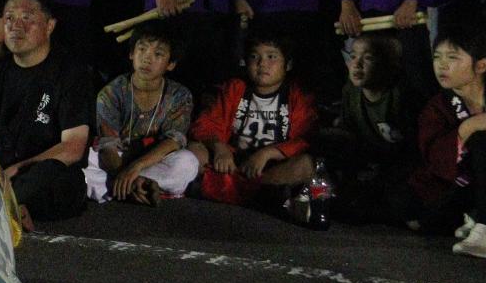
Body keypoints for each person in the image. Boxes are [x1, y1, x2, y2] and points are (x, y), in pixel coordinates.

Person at [0, 0, 93, 223]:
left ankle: (6, 205)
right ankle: (11, 207)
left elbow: (73, 148)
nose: (15, 26)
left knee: (58, 177)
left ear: (50, 26)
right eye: (9, 18)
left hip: (39, 170)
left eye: (26, 18)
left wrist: (15, 171)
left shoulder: (71, 74)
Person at [188, 28, 324, 223]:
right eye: (255, 57)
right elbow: (205, 124)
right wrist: (219, 147)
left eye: (271, 57)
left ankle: (227, 191)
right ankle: (259, 198)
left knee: (306, 165)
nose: (262, 64)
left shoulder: (297, 95)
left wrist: (267, 153)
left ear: (288, 64)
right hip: (232, 162)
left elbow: (305, 138)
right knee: (194, 150)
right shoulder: (235, 88)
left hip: (269, 169)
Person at [86, 23, 198, 204]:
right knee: (85, 162)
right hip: (117, 160)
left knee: (187, 162)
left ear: (171, 64)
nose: (147, 58)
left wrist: (135, 168)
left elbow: (173, 140)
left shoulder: (179, 95)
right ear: (131, 54)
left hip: (150, 160)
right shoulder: (111, 93)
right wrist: (126, 173)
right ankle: (141, 187)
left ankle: (121, 188)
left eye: (158, 54)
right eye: (142, 49)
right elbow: (108, 147)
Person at [403, 22, 486, 255]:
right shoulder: (437, 107)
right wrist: (467, 127)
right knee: (421, 219)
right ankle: (477, 216)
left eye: (453, 57)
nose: (442, 65)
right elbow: (435, 160)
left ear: (481, 65)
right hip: (464, 186)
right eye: (437, 57)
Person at [317, 33, 419, 220]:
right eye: (353, 56)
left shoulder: (399, 95)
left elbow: (412, 149)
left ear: (387, 65)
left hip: (397, 166)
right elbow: (348, 135)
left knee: (399, 205)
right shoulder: (351, 90)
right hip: (367, 160)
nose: (357, 64)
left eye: (368, 58)